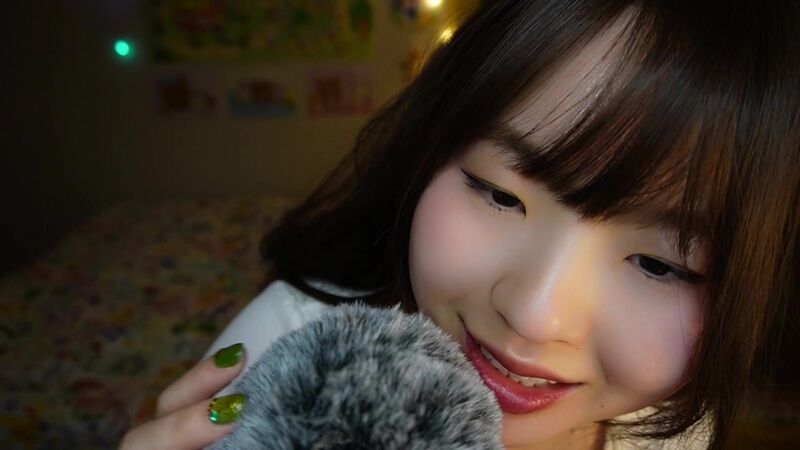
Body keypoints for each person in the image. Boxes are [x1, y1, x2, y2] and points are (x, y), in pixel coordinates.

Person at [120, 0, 800, 449]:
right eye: (499, 194)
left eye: (660, 264)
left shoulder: (668, 427)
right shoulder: (289, 346)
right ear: (430, 149)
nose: (533, 315)